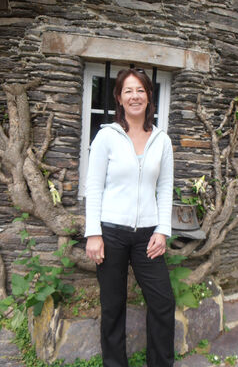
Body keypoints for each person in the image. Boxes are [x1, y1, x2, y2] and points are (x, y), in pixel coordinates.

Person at [84, 68, 175, 367]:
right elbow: (94, 186)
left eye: (140, 90)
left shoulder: (162, 140)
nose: (135, 96)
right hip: (110, 233)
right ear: (119, 99)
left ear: (149, 97)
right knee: (113, 306)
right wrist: (93, 233)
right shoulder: (106, 137)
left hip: (148, 235)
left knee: (162, 302)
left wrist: (162, 230)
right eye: (128, 91)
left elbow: (165, 188)